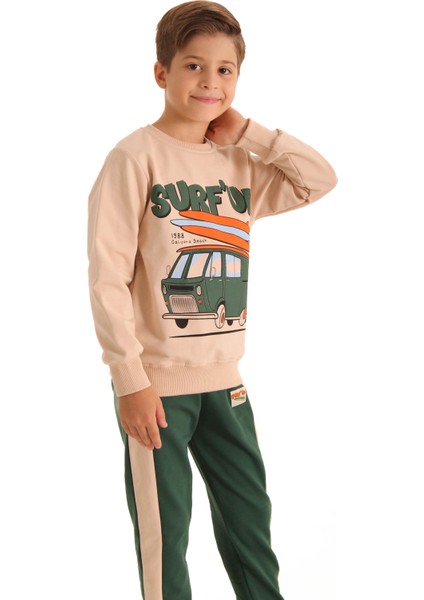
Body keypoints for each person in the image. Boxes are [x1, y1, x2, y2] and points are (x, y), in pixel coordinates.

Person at [87, 2, 337, 598]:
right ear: (162, 73)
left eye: (225, 70)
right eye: (194, 65)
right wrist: (130, 380)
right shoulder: (133, 158)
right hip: (157, 388)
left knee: (250, 522)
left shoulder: (238, 165)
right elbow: (107, 277)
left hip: (226, 381)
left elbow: (318, 179)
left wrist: (249, 134)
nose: (210, 82)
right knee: (165, 533)